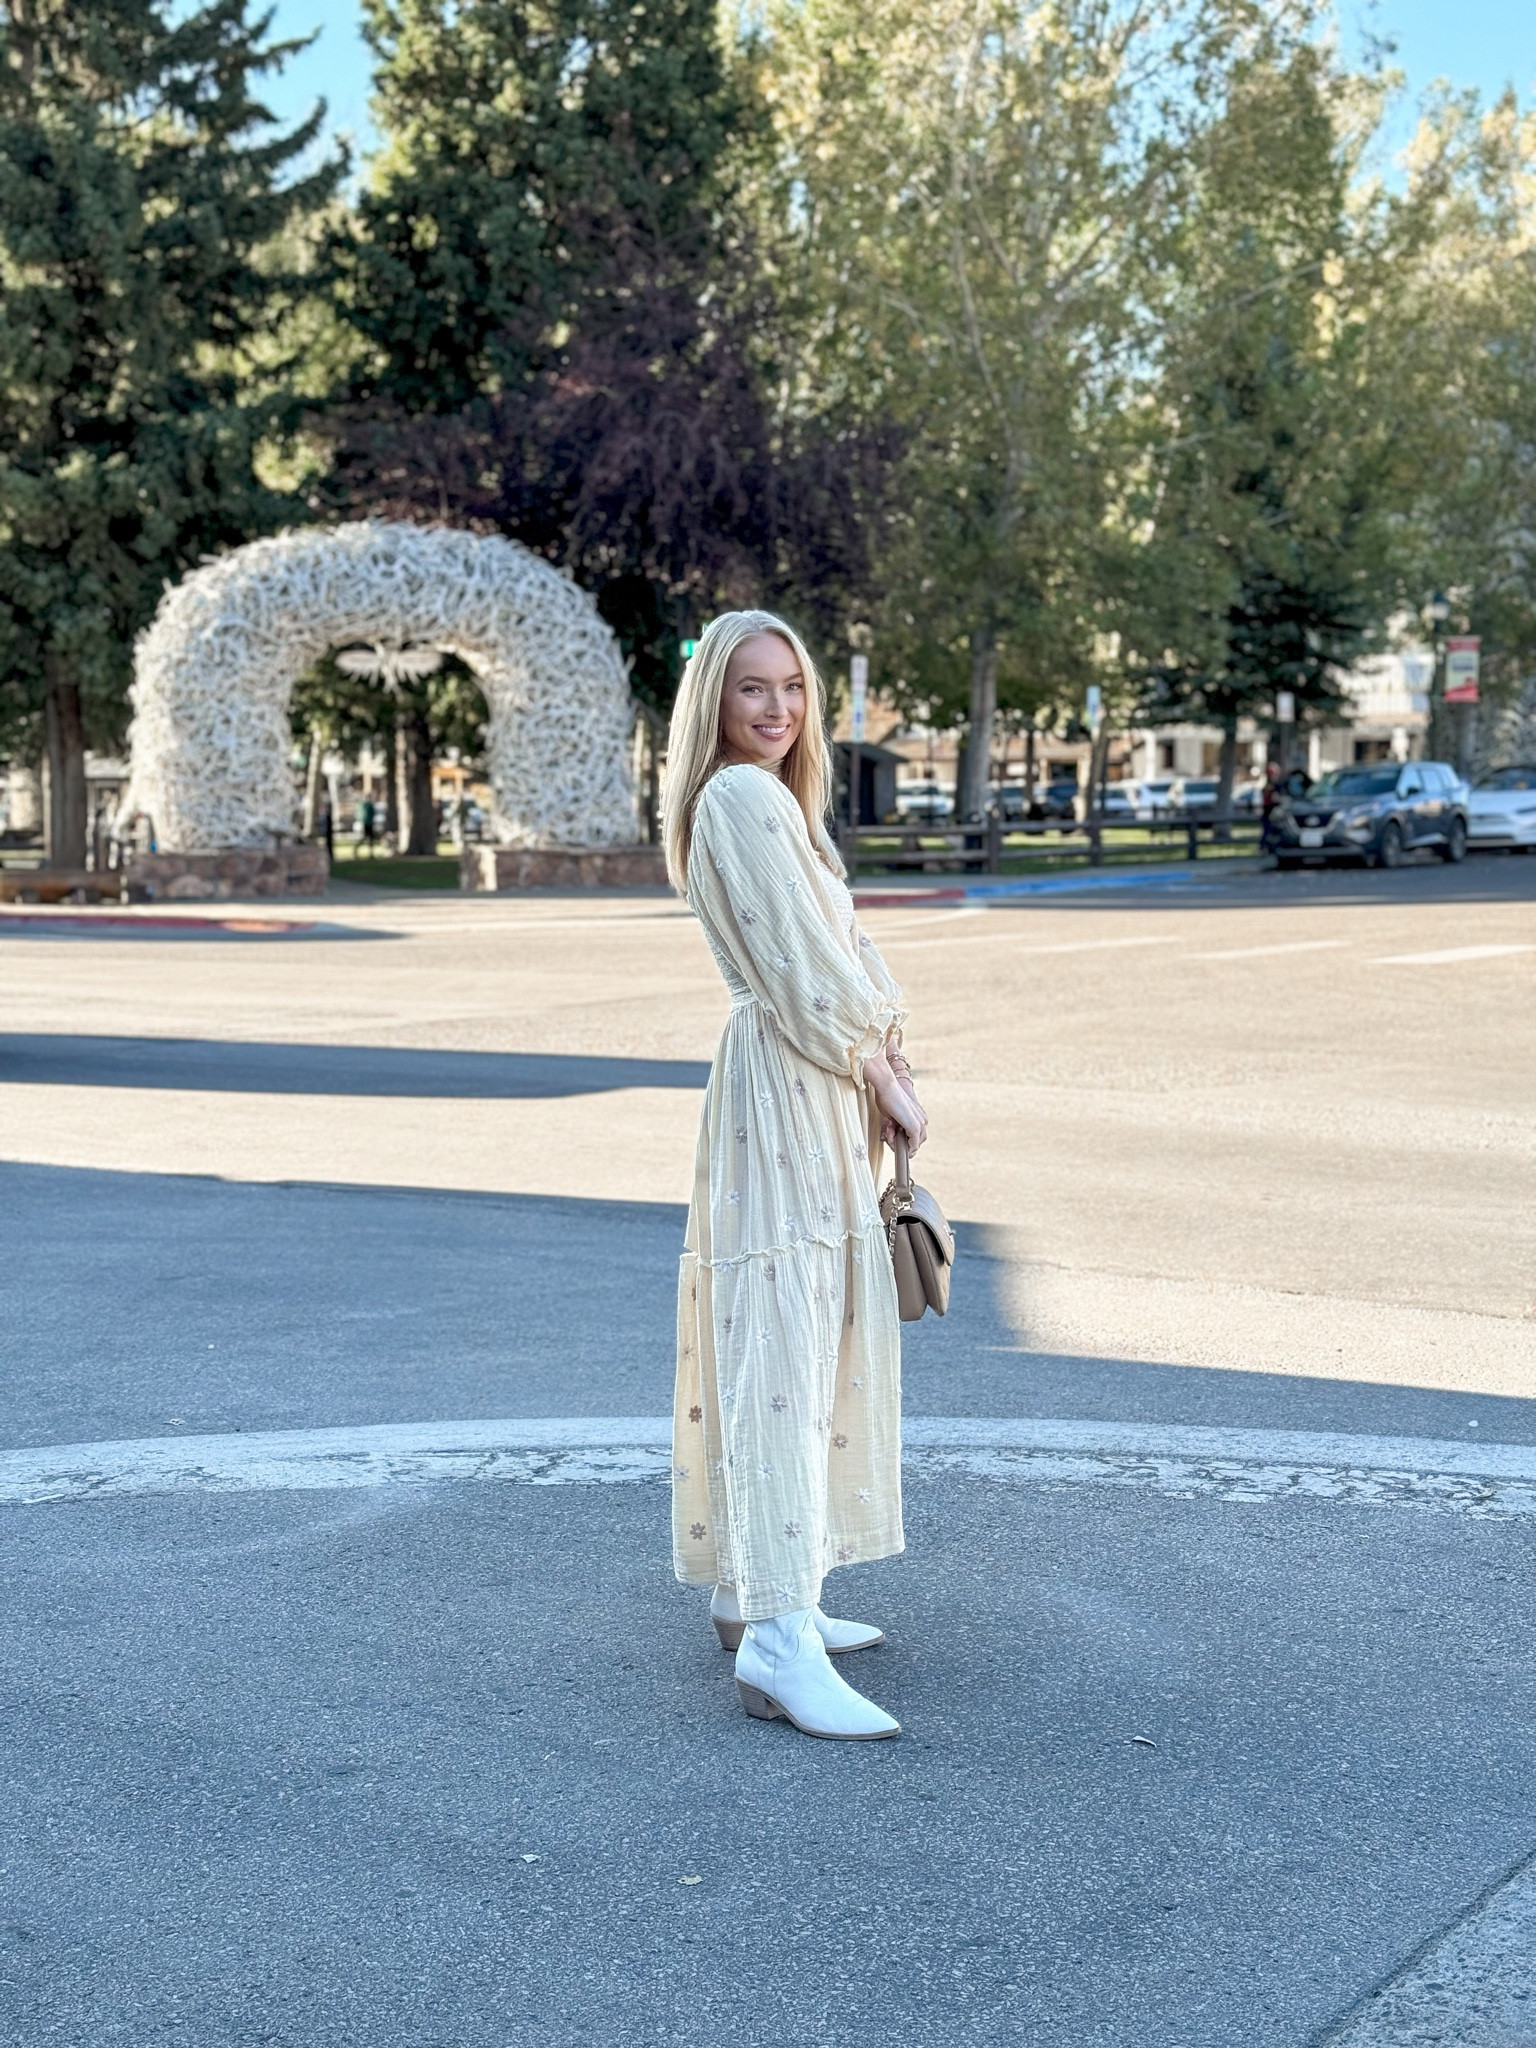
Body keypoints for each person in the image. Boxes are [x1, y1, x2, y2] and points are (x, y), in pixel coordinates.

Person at [664, 611, 927, 1742]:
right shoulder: (739, 797)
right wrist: (883, 1063)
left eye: (793, 688)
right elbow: (809, 973)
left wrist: (874, 1044)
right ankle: (778, 1632)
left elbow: (825, 961)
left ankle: (759, 1589)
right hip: (791, 1082)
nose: (776, 708)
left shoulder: (772, 801)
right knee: (787, 1334)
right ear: (712, 702)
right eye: (751, 689)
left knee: (781, 1338)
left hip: (790, 1084)